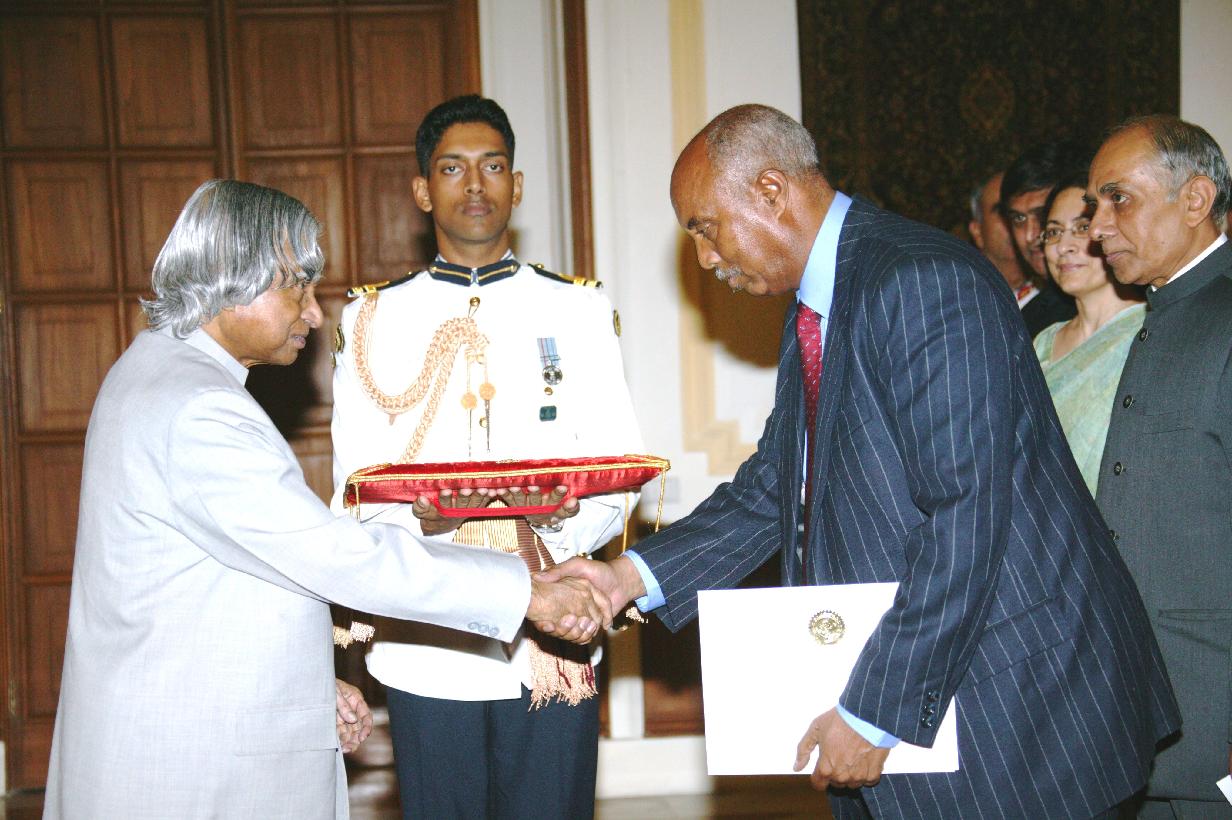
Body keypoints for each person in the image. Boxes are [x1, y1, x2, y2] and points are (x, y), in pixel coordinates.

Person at [542, 104, 1179, 818]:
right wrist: (627, 577)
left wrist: (877, 711)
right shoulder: (823, 300)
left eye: (706, 228)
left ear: (772, 192)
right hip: (932, 688)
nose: (706, 258)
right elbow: (778, 484)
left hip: (1015, 712)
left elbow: (966, 514)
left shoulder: (919, 280)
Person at [44, 180, 608, 819]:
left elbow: (217, 582)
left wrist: (306, 682)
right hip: (192, 768)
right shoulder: (200, 408)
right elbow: (335, 555)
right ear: (235, 279)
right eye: (298, 288)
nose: (313, 315)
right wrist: (525, 592)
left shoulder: (154, 372)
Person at [330, 95, 642, 820]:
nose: (475, 185)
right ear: (422, 191)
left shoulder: (578, 310)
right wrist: (427, 522)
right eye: (452, 169)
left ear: (517, 184)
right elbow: (356, 486)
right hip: (429, 639)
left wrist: (558, 522)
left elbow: (619, 469)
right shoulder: (372, 318)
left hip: (555, 630)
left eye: (492, 166)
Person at [1089, 114, 1232, 816]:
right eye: (1094, 205)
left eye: (1118, 199)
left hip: (1215, 720)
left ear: (1195, 199)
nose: (1098, 227)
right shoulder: (1166, 313)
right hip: (1147, 715)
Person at [1032, 170, 1144, 496]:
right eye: (1053, 232)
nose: (1063, 247)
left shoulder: (1148, 331)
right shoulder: (1043, 342)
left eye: (1081, 228)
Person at [1002, 141, 1083, 335]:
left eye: (1042, 214)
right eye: (1019, 219)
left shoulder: (1136, 306)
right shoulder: (1025, 320)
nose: (1030, 236)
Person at [968, 170, 1029, 293]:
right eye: (1003, 211)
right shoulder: (961, 296)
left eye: (1020, 213)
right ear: (977, 232)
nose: (1015, 220)